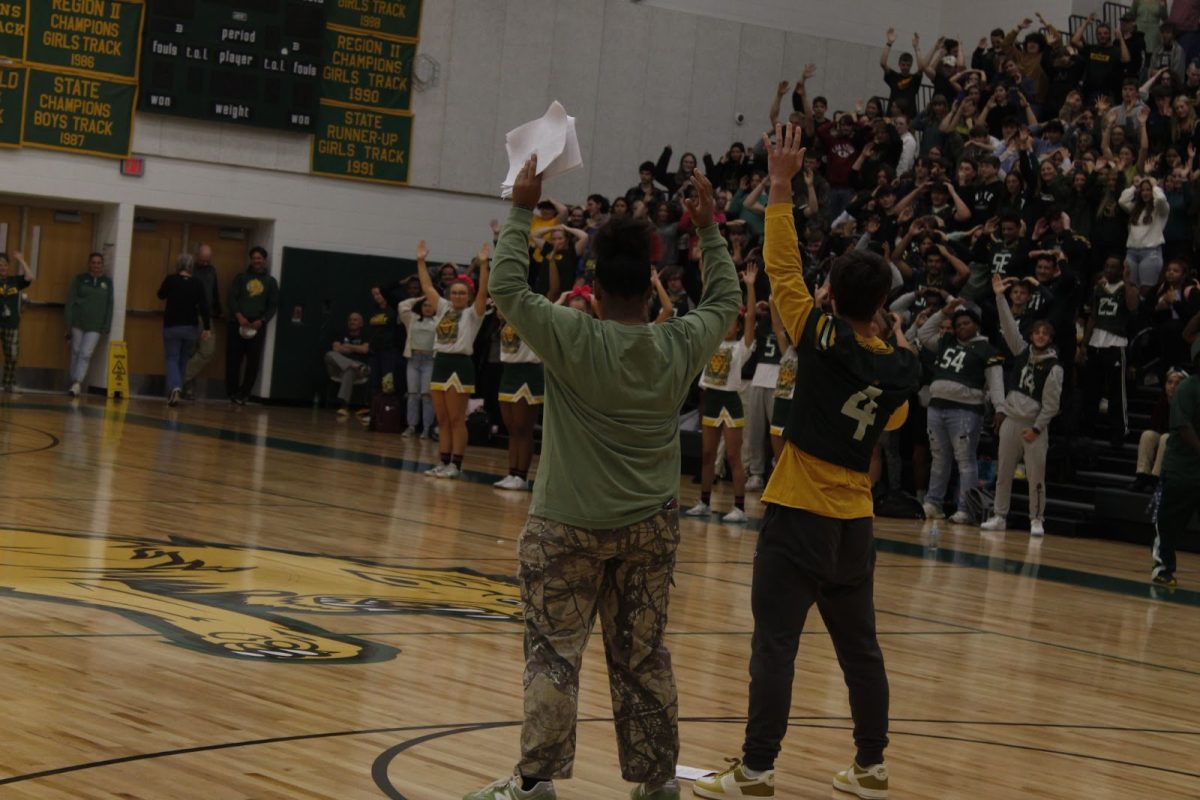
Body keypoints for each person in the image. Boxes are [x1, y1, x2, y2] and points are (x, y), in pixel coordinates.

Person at [464, 159, 739, 800]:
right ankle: (656, 781)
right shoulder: (679, 343)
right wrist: (709, 229)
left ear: (592, 281)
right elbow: (725, 299)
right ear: (651, 282)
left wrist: (522, 211)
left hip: (565, 524)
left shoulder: (570, 335)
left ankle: (535, 783)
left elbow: (506, 286)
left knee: (554, 654)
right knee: (643, 656)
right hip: (649, 528)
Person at [695, 123, 919, 800]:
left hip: (799, 519)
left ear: (831, 297)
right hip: (855, 523)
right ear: (881, 306)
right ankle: (871, 764)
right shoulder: (902, 368)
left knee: (775, 648)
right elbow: (896, 417)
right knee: (862, 652)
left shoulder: (817, 334)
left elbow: (782, 267)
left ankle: (757, 770)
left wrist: (784, 185)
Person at [979, 275, 1063, 536]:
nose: (1039, 336)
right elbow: (1008, 326)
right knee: (1004, 471)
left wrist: (1037, 429)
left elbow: (1052, 405)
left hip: (1033, 426)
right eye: (1036, 332)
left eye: (1044, 333)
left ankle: (1036, 519)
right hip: (1012, 420)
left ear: (1050, 338)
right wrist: (1000, 297)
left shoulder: (1054, 366)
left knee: (1035, 477)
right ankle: (999, 515)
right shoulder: (1022, 351)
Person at [917, 300, 1006, 523]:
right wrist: (942, 313)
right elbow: (923, 333)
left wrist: (1000, 408)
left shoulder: (987, 350)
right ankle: (933, 503)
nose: (961, 328)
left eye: (966, 323)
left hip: (965, 411)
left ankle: (966, 508)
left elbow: (996, 382)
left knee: (965, 461)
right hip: (937, 407)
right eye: (958, 325)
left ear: (976, 325)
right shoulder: (946, 342)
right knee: (939, 458)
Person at [685, 261, 757, 522]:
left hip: (730, 402)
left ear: (737, 328)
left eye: (731, 323)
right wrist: (706, 277)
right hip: (711, 400)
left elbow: (750, 316)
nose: (727, 326)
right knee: (707, 455)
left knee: (733, 456)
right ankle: (703, 501)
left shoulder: (741, 348)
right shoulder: (712, 342)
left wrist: (749, 287)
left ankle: (739, 507)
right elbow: (707, 308)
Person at [417, 241, 490, 478]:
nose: (458, 295)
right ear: (450, 294)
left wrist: (483, 265)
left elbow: (483, 292)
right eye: (455, 292)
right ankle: (443, 461)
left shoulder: (473, 314)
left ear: (468, 296)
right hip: (441, 363)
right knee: (443, 418)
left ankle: (456, 465)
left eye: (463, 292)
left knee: (457, 418)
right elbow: (427, 286)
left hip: (460, 365)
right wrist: (421, 261)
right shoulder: (443, 307)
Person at [1151, 318, 1200, 589]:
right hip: (1182, 470)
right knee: (1169, 523)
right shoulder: (1187, 387)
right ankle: (1163, 567)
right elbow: (1183, 426)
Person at [494, 310, 544, 491]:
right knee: (512, 428)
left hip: (528, 372)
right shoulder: (506, 320)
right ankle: (512, 472)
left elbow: (552, 293)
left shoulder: (530, 317)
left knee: (523, 428)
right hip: (508, 373)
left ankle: (522, 476)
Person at [156, 254, 212, 407]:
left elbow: (160, 295)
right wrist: (207, 327)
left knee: (172, 357)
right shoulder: (197, 283)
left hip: (172, 326)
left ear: (178, 266)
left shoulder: (171, 280)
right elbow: (204, 306)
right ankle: (177, 391)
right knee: (183, 360)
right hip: (190, 327)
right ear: (191, 267)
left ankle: (175, 387)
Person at [225, 246, 279, 404]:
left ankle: (244, 393)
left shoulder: (271, 282)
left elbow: (273, 305)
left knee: (253, 362)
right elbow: (231, 299)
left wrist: (262, 321)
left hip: (257, 326)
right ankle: (232, 393)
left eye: (259, 258)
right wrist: (239, 316)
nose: (257, 261)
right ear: (251, 260)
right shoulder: (241, 277)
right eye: (254, 258)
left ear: (264, 260)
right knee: (233, 360)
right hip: (238, 323)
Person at [64, 252, 114, 397]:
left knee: (86, 353)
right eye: (94, 262)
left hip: (96, 325)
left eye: (99, 263)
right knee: (76, 351)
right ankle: (73, 380)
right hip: (78, 322)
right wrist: (68, 320)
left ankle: (77, 382)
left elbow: (110, 304)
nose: (96, 265)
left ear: (102, 265)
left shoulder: (107, 283)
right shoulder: (80, 279)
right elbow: (71, 300)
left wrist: (107, 324)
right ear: (89, 264)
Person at [1131, 368, 1189, 491]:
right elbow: (1155, 425)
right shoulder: (1162, 402)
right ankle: (1142, 475)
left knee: (1165, 438)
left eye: (1177, 383)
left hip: (1182, 443)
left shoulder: (1188, 403)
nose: (1172, 386)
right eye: (1170, 382)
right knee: (1148, 435)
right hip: (1167, 440)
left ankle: (1156, 479)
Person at [183, 243, 222, 399]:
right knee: (190, 351)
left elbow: (214, 290)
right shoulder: (188, 269)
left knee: (207, 351)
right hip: (191, 314)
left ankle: (179, 377)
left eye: (208, 260)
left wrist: (217, 307)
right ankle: (187, 387)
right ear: (196, 256)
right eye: (203, 260)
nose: (206, 263)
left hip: (207, 316)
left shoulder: (212, 270)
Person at [398, 293, 438, 438]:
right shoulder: (412, 319)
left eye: (431, 305)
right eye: (425, 305)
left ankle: (427, 428)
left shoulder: (439, 321)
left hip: (429, 360)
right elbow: (402, 306)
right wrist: (418, 298)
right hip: (413, 359)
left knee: (427, 396)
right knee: (412, 394)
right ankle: (411, 426)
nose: (428, 308)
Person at [325, 312, 369, 418]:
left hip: (359, 371)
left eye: (355, 320)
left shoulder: (366, 335)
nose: (352, 322)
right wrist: (355, 349)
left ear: (361, 324)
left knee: (349, 370)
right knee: (329, 354)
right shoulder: (341, 333)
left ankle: (344, 406)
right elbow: (336, 349)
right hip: (340, 367)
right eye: (350, 320)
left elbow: (365, 349)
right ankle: (353, 365)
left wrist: (348, 346)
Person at [0, 251, 31, 393]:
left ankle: (8, 383)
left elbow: (30, 277)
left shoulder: (15, 281)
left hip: (11, 323)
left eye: (5, 265)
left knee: (12, 355)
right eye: (0, 265)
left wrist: (21, 260)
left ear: (8, 266)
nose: (2, 268)